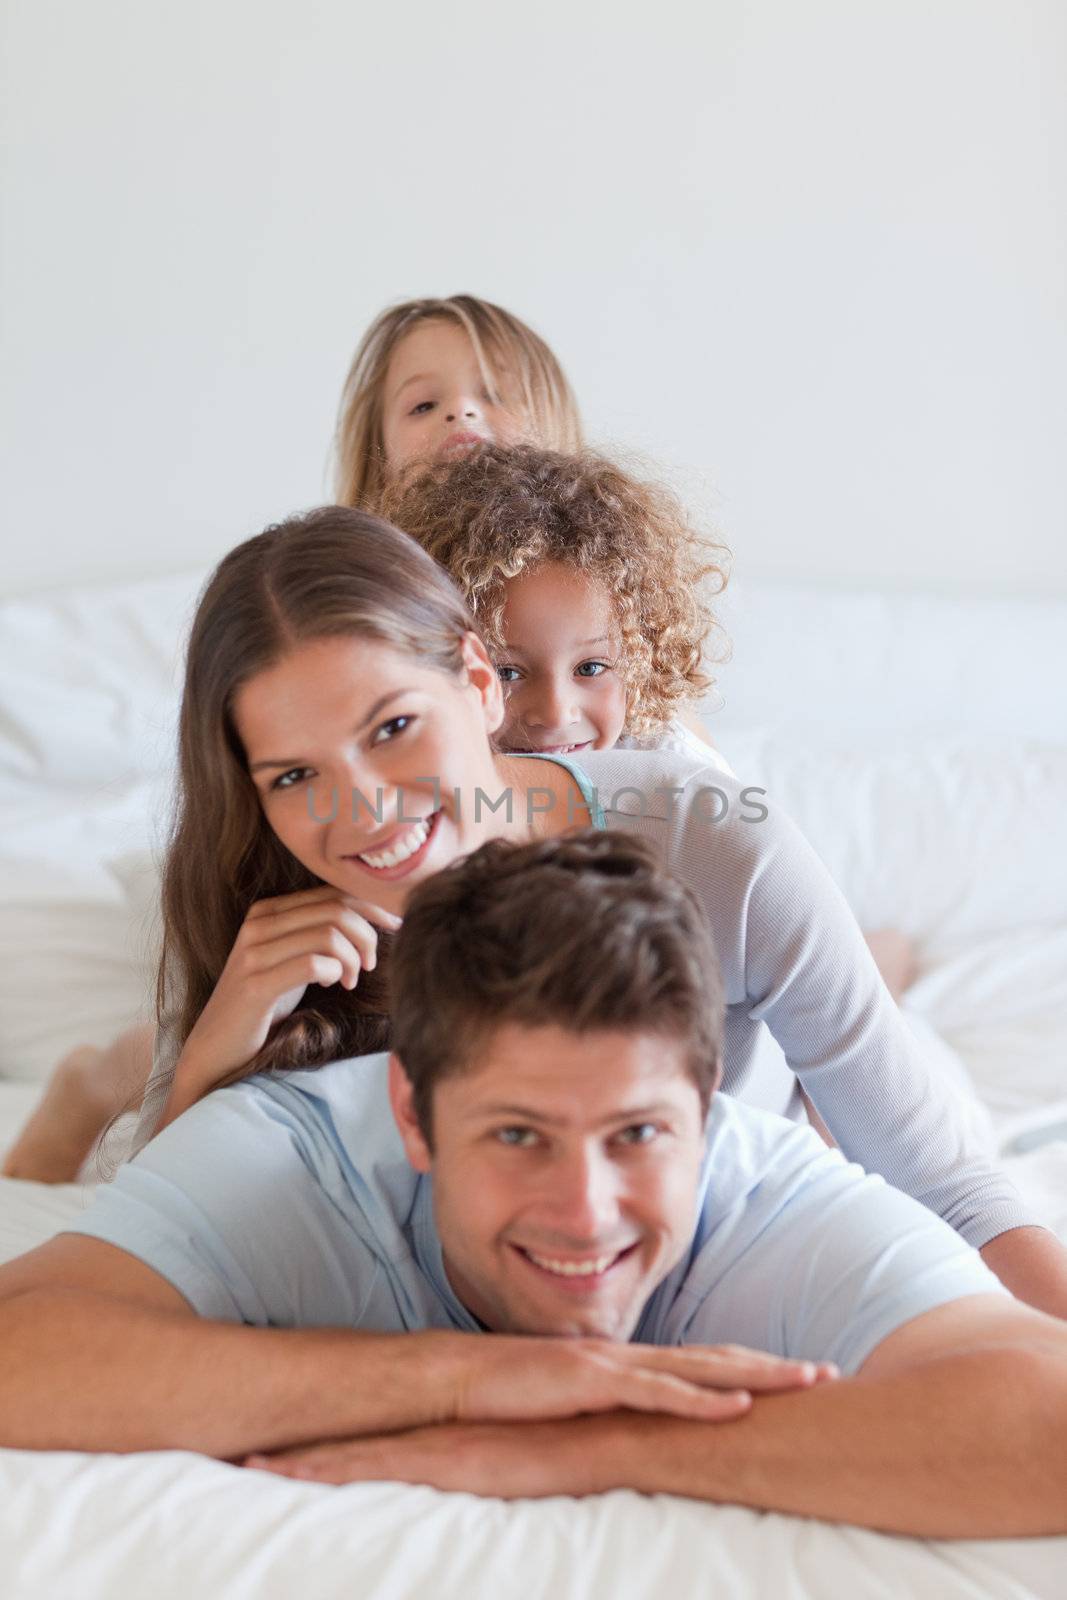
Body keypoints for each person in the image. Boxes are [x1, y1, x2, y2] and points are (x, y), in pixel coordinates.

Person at [1, 830, 1064, 1539]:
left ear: (702, 1114)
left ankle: (882, 962)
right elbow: (23, 1347)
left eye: (638, 1134)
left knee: (896, 1040)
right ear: (413, 1115)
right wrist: (457, 1379)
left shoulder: (766, 1191)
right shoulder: (282, 1155)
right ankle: (100, 1074)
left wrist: (593, 1440)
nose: (585, 1210)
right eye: (517, 1133)